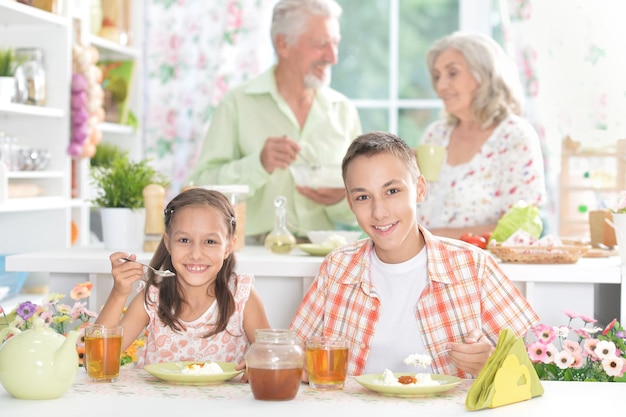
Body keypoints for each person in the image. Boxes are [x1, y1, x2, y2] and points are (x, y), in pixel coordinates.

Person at [290, 131, 539, 379]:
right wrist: (298, 366)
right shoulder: (338, 267)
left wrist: (492, 363)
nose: (379, 212)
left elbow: (536, 363)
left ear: (419, 189)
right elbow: (292, 353)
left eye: (392, 191)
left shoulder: (472, 266)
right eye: (363, 197)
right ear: (350, 203)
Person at [186, 0, 362, 240]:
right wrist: (258, 164)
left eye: (335, 43)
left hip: (323, 258)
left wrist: (342, 198)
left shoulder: (343, 111)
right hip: (254, 255)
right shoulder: (237, 103)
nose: (333, 57)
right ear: (283, 44)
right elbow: (200, 188)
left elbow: (361, 207)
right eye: (321, 44)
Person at [94, 188, 270, 375]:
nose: (195, 254)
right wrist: (119, 293)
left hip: (224, 404)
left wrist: (261, 365)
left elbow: (273, 359)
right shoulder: (153, 298)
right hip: (156, 403)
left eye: (210, 242)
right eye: (184, 240)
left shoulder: (242, 296)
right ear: (168, 243)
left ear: (228, 247)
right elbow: (98, 360)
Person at [416, 32, 546, 239]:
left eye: (453, 73)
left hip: (483, 264)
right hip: (422, 261)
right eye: (437, 75)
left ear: (484, 75)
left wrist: (435, 237)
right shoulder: (435, 134)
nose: (440, 86)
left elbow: (523, 226)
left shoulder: (515, 136)